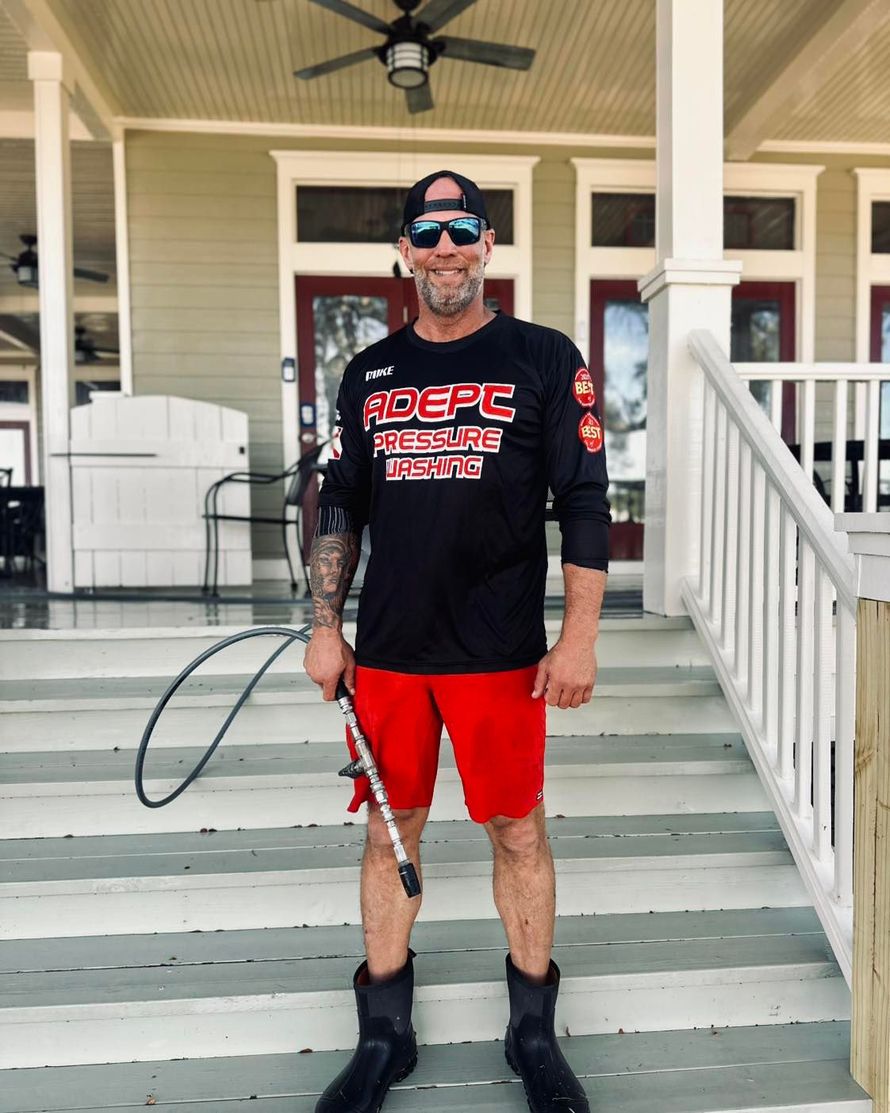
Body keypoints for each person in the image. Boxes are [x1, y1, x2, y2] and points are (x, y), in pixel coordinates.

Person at [304, 169, 610, 1113]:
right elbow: (341, 499)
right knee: (388, 830)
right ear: (404, 249)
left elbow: (586, 503)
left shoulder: (544, 358)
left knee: (516, 829)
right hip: (390, 654)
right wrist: (325, 624)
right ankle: (385, 1035)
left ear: (487, 246)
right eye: (427, 233)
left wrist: (580, 638)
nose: (446, 248)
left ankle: (531, 1033)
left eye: (462, 230)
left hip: (503, 656)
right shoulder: (368, 372)